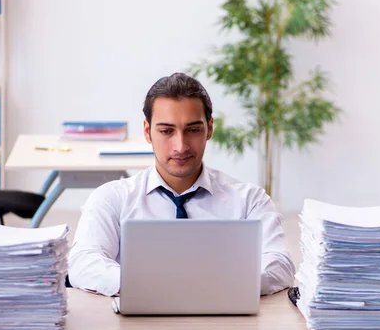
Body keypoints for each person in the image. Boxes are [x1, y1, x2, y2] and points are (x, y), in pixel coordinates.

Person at [67, 72, 295, 297]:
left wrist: (223, 284)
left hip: (224, 326)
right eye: (167, 131)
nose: (181, 146)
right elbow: (83, 263)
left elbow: (280, 264)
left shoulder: (249, 201)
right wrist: (153, 285)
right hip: (137, 328)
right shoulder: (112, 198)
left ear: (210, 129)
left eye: (193, 130)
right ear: (148, 132)